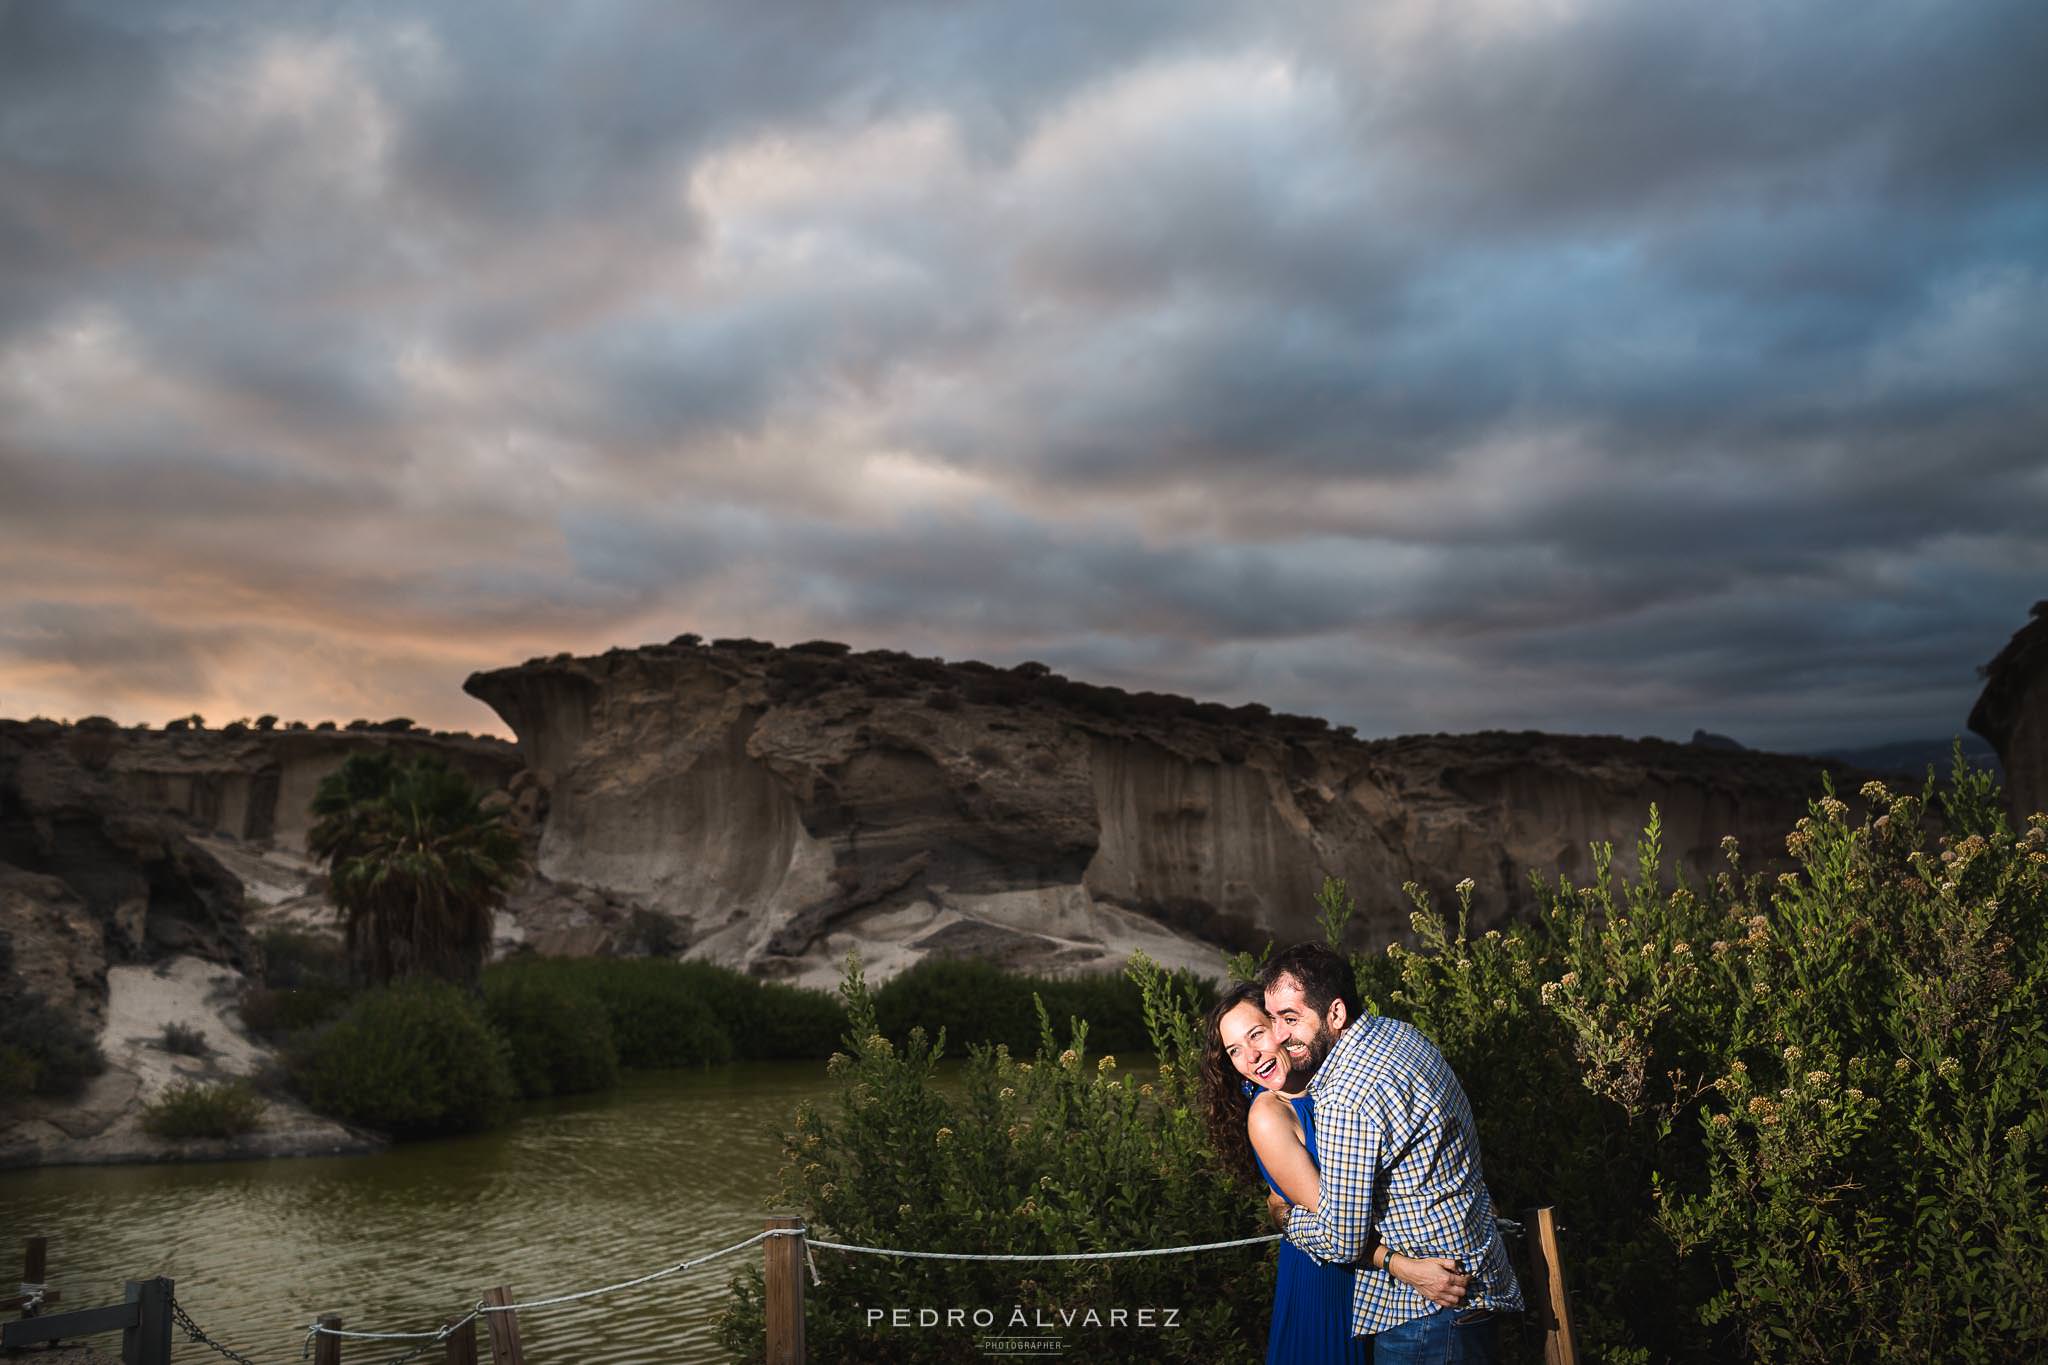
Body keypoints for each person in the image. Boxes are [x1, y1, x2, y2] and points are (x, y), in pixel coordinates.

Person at [1259, 943, 1521, 1364]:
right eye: (1272, 1019)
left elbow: (1341, 1240)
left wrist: (1287, 1215)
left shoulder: (1347, 1095)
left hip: (1428, 1310)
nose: (1278, 1035)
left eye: (1291, 1019)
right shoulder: (1397, 1033)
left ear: (1336, 1014)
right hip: (1472, 1278)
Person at [1200, 981, 1470, 1364]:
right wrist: (1405, 1268)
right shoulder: (1269, 1115)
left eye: (1256, 1034)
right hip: (1328, 1281)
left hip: (1372, 1286)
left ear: (1281, 1026)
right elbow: (1337, 1230)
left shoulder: (1335, 1086)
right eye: (1234, 1051)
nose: (1251, 1056)